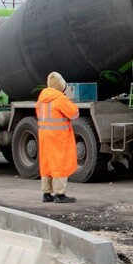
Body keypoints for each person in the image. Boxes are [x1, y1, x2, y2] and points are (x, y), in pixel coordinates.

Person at [37, 72, 79, 204]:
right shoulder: (60, 99)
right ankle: (60, 194)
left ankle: (46, 193)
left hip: (44, 137)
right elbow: (74, 114)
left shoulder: (41, 99)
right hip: (58, 138)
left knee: (46, 164)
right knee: (59, 164)